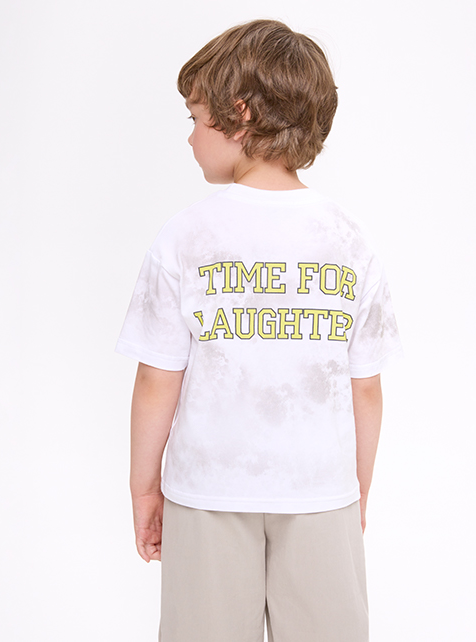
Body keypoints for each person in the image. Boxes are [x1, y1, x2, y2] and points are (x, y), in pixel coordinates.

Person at [116, 19, 403, 642]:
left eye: (195, 118)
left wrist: (143, 489)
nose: (190, 136)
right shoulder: (350, 241)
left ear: (239, 114)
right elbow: (366, 388)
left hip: (207, 490)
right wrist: (354, 491)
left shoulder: (186, 237)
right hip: (320, 489)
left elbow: (156, 379)